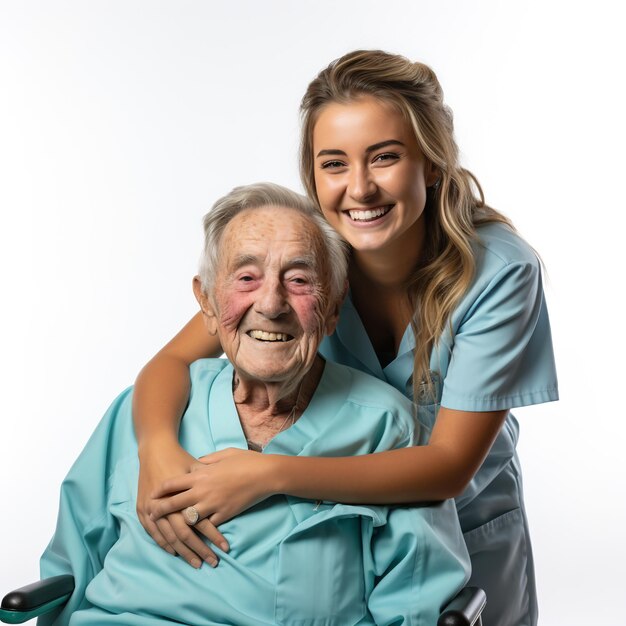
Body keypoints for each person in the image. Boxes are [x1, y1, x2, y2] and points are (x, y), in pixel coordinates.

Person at [133, 51, 558, 626]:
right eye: (334, 164)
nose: (359, 188)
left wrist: (269, 475)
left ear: (431, 164)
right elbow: (175, 359)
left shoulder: (499, 272)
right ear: (312, 175)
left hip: (461, 526)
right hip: (330, 537)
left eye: (384, 158)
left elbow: (448, 465)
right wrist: (157, 451)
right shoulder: (305, 258)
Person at [38, 183, 470, 626]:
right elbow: (70, 567)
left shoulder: (385, 426)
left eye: (299, 280)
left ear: (334, 306)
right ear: (206, 300)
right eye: (246, 277)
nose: (270, 303)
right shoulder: (152, 411)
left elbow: (415, 598)